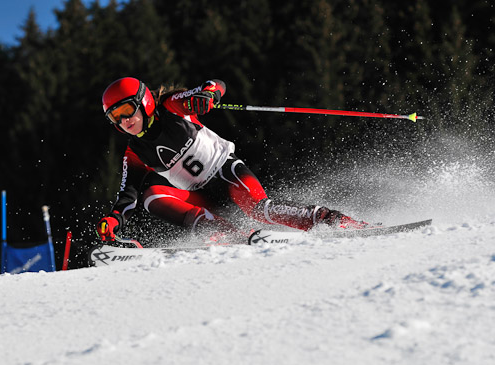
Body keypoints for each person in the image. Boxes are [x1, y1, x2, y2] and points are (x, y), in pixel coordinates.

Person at [96, 77, 368, 243]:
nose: (124, 120)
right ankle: (228, 236)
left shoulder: (171, 107)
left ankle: (328, 220)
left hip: (226, 173)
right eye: (115, 117)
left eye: (126, 109)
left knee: (260, 210)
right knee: (151, 197)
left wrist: (209, 94)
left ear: (143, 101)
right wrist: (114, 218)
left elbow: (215, 85)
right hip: (199, 196)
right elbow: (127, 193)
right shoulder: (134, 152)